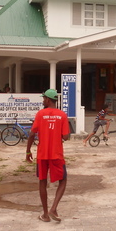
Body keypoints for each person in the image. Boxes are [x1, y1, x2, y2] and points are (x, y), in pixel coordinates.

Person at [26, 89, 70, 223]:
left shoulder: (40, 114)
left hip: (42, 155)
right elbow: (66, 136)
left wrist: (28, 152)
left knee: (42, 182)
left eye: (44, 98)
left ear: (48, 100)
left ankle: (45, 214)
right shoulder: (62, 115)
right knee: (63, 180)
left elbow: (32, 134)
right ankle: (54, 208)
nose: (43, 100)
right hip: (56, 154)